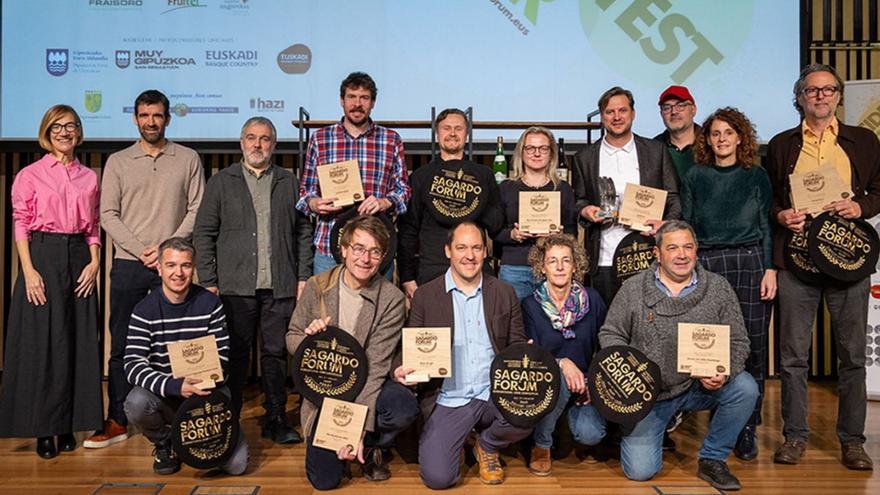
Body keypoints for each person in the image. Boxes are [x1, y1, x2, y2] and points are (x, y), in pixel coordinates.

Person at [768, 63, 880, 471]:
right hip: (796, 260)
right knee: (793, 356)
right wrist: (782, 217)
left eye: (828, 89)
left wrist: (860, 206)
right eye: (811, 91)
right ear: (799, 97)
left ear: (838, 96)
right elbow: (771, 200)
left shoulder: (864, 141)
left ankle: (852, 441)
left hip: (847, 259)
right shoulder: (781, 145)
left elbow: (879, 190)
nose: (820, 96)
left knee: (852, 356)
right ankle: (794, 437)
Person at [599, 221, 758, 491]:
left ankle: (713, 458)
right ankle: (660, 423)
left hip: (698, 386)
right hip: (651, 395)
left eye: (688, 247)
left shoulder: (718, 289)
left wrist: (725, 370)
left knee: (745, 388)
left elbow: (739, 341)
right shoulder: (634, 288)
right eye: (672, 248)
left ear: (697, 251)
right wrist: (631, 375)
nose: (681, 254)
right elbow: (610, 334)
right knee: (640, 471)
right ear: (657, 254)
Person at [89, 89, 204, 449]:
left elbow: (197, 209)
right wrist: (142, 251)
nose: (150, 122)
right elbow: (107, 214)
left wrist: (167, 249)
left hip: (172, 268)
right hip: (128, 265)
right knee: (123, 345)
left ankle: (178, 413)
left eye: (156, 115)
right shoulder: (119, 161)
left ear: (168, 118)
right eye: (143, 115)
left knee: (178, 345)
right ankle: (118, 419)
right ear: (135, 118)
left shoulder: (188, 158)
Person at [193, 117, 313, 443]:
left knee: (275, 354)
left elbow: (304, 232)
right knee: (233, 354)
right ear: (241, 142)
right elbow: (204, 233)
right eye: (251, 138)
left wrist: (303, 275)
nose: (257, 145)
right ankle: (228, 420)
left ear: (273, 144)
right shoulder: (221, 182)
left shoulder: (289, 182)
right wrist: (208, 280)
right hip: (234, 287)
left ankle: (275, 418)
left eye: (264, 139)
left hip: (281, 285)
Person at [394, 222, 530, 489]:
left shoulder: (504, 292)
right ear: (448, 251)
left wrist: (527, 355)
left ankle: (487, 444)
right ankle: (461, 435)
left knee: (533, 405)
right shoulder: (425, 295)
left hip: (493, 394)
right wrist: (401, 368)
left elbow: (515, 344)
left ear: (485, 252)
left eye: (477, 248)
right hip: (449, 398)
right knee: (438, 479)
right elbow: (410, 345)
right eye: (462, 248)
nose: (470, 255)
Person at [0, 105, 103, 458]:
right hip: (42, 257)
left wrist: (94, 262)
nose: (64, 132)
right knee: (44, 346)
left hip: (79, 259)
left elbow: (93, 228)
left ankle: (68, 424)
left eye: (71, 125)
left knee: (76, 343)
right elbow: (21, 223)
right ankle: (45, 428)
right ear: (47, 131)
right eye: (57, 126)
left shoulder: (89, 177)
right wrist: (27, 270)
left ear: (79, 131)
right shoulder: (29, 175)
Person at [287, 215, 418, 489]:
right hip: (325, 392)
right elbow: (292, 337)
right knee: (325, 481)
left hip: (368, 385)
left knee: (401, 406)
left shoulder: (391, 299)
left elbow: (375, 367)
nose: (365, 258)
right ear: (344, 249)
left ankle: (370, 446)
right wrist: (309, 342)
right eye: (358, 248)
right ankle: (343, 449)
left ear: (382, 257)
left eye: (374, 251)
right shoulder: (317, 286)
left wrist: (357, 428)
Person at [681, 107, 774, 461]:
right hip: (707, 262)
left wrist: (769, 268)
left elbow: (767, 225)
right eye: (715, 133)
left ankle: (747, 426)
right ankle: (712, 419)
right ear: (707, 139)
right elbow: (687, 225)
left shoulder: (756, 175)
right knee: (705, 344)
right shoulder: (695, 175)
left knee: (751, 344)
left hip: (749, 262)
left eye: (728, 133)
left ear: (740, 137)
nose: (721, 139)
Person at [123, 237, 248, 476]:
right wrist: (173, 385)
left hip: (208, 395)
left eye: (185, 266)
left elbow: (221, 357)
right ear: (159, 268)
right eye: (171, 265)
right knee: (136, 403)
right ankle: (166, 443)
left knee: (237, 466)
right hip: (166, 395)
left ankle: (201, 438)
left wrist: (200, 384)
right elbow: (133, 365)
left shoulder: (210, 304)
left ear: (193, 268)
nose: (178, 273)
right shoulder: (144, 310)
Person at [571, 86, 681, 307]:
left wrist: (664, 224)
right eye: (610, 112)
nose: (617, 117)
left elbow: (673, 198)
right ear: (602, 116)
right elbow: (578, 201)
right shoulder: (585, 157)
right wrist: (586, 211)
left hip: (646, 254)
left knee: (648, 326)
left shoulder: (655, 151)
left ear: (633, 114)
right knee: (606, 329)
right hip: (603, 259)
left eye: (622, 110)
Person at [296, 71, 410, 276]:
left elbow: (403, 191)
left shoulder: (391, 139)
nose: (357, 103)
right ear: (342, 100)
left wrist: (385, 202)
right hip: (329, 246)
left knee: (377, 308)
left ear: (372, 103)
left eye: (364, 98)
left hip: (375, 248)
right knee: (328, 308)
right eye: (351, 97)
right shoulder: (320, 139)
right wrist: (314, 203)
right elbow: (305, 191)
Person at [522, 233, 607, 476]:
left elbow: (606, 345)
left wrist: (593, 383)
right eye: (552, 261)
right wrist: (561, 362)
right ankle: (542, 444)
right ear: (542, 267)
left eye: (566, 260)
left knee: (590, 435)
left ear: (575, 265)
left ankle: (565, 420)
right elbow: (532, 357)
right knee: (558, 378)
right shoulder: (530, 305)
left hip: (586, 383)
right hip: (548, 384)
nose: (559, 267)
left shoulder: (592, 299)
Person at [398, 108, 503, 297]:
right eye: (446, 128)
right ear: (437, 134)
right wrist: (407, 277)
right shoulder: (421, 176)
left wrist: (474, 201)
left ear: (467, 134)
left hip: (474, 267)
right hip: (432, 269)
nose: (452, 133)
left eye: (458, 128)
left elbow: (496, 224)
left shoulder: (484, 174)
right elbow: (408, 229)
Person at [495, 127, 578, 300]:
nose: (537, 153)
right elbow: (495, 233)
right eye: (530, 148)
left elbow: (573, 235)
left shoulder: (563, 189)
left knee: (552, 324)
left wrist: (560, 235)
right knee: (513, 324)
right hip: (514, 269)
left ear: (551, 153)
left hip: (554, 269)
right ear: (521, 152)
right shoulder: (506, 188)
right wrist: (513, 234)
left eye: (543, 148)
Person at [654, 85, 701, 179]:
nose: (674, 112)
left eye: (680, 106)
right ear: (661, 114)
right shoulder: (653, 149)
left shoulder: (711, 143)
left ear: (693, 109)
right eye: (667, 108)